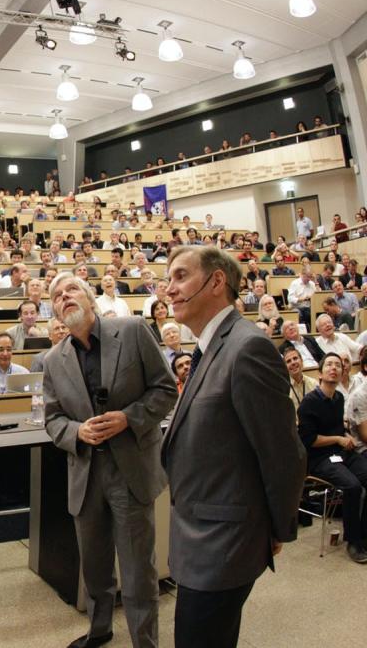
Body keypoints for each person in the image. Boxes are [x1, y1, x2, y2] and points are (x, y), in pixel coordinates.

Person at [163, 245, 305, 648]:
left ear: (216, 281)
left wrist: (275, 527)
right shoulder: (208, 347)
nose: (168, 289)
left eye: (180, 276)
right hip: (202, 538)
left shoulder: (247, 348)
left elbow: (282, 452)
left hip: (223, 545)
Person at [41, 272, 176, 648]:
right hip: (86, 473)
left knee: (137, 571)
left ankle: (144, 642)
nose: (63, 297)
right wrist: (76, 433)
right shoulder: (54, 360)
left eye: (71, 290)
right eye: (56, 295)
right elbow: (52, 419)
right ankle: (100, 630)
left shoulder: (131, 330)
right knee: (96, 568)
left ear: (90, 299)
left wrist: (128, 418)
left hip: (129, 470)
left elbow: (166, 389)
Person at [298, 353, 367, 562]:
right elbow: (309, 441)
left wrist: (345, 436)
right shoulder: (309, 403)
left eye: (338, 365)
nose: (334, 368)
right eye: (329, 364)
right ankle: (353, 542)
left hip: (341, 452)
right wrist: (338, 438)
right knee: (353, 486)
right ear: (320, 373)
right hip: (320, 458)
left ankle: (363, 534)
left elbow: (338, 428)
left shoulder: (338, 399)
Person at [283, 347, 317, 414]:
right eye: (288, 361)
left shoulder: (314, 384)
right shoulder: (283, 390)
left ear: (301, 361)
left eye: (295, 358)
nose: (293, 362)